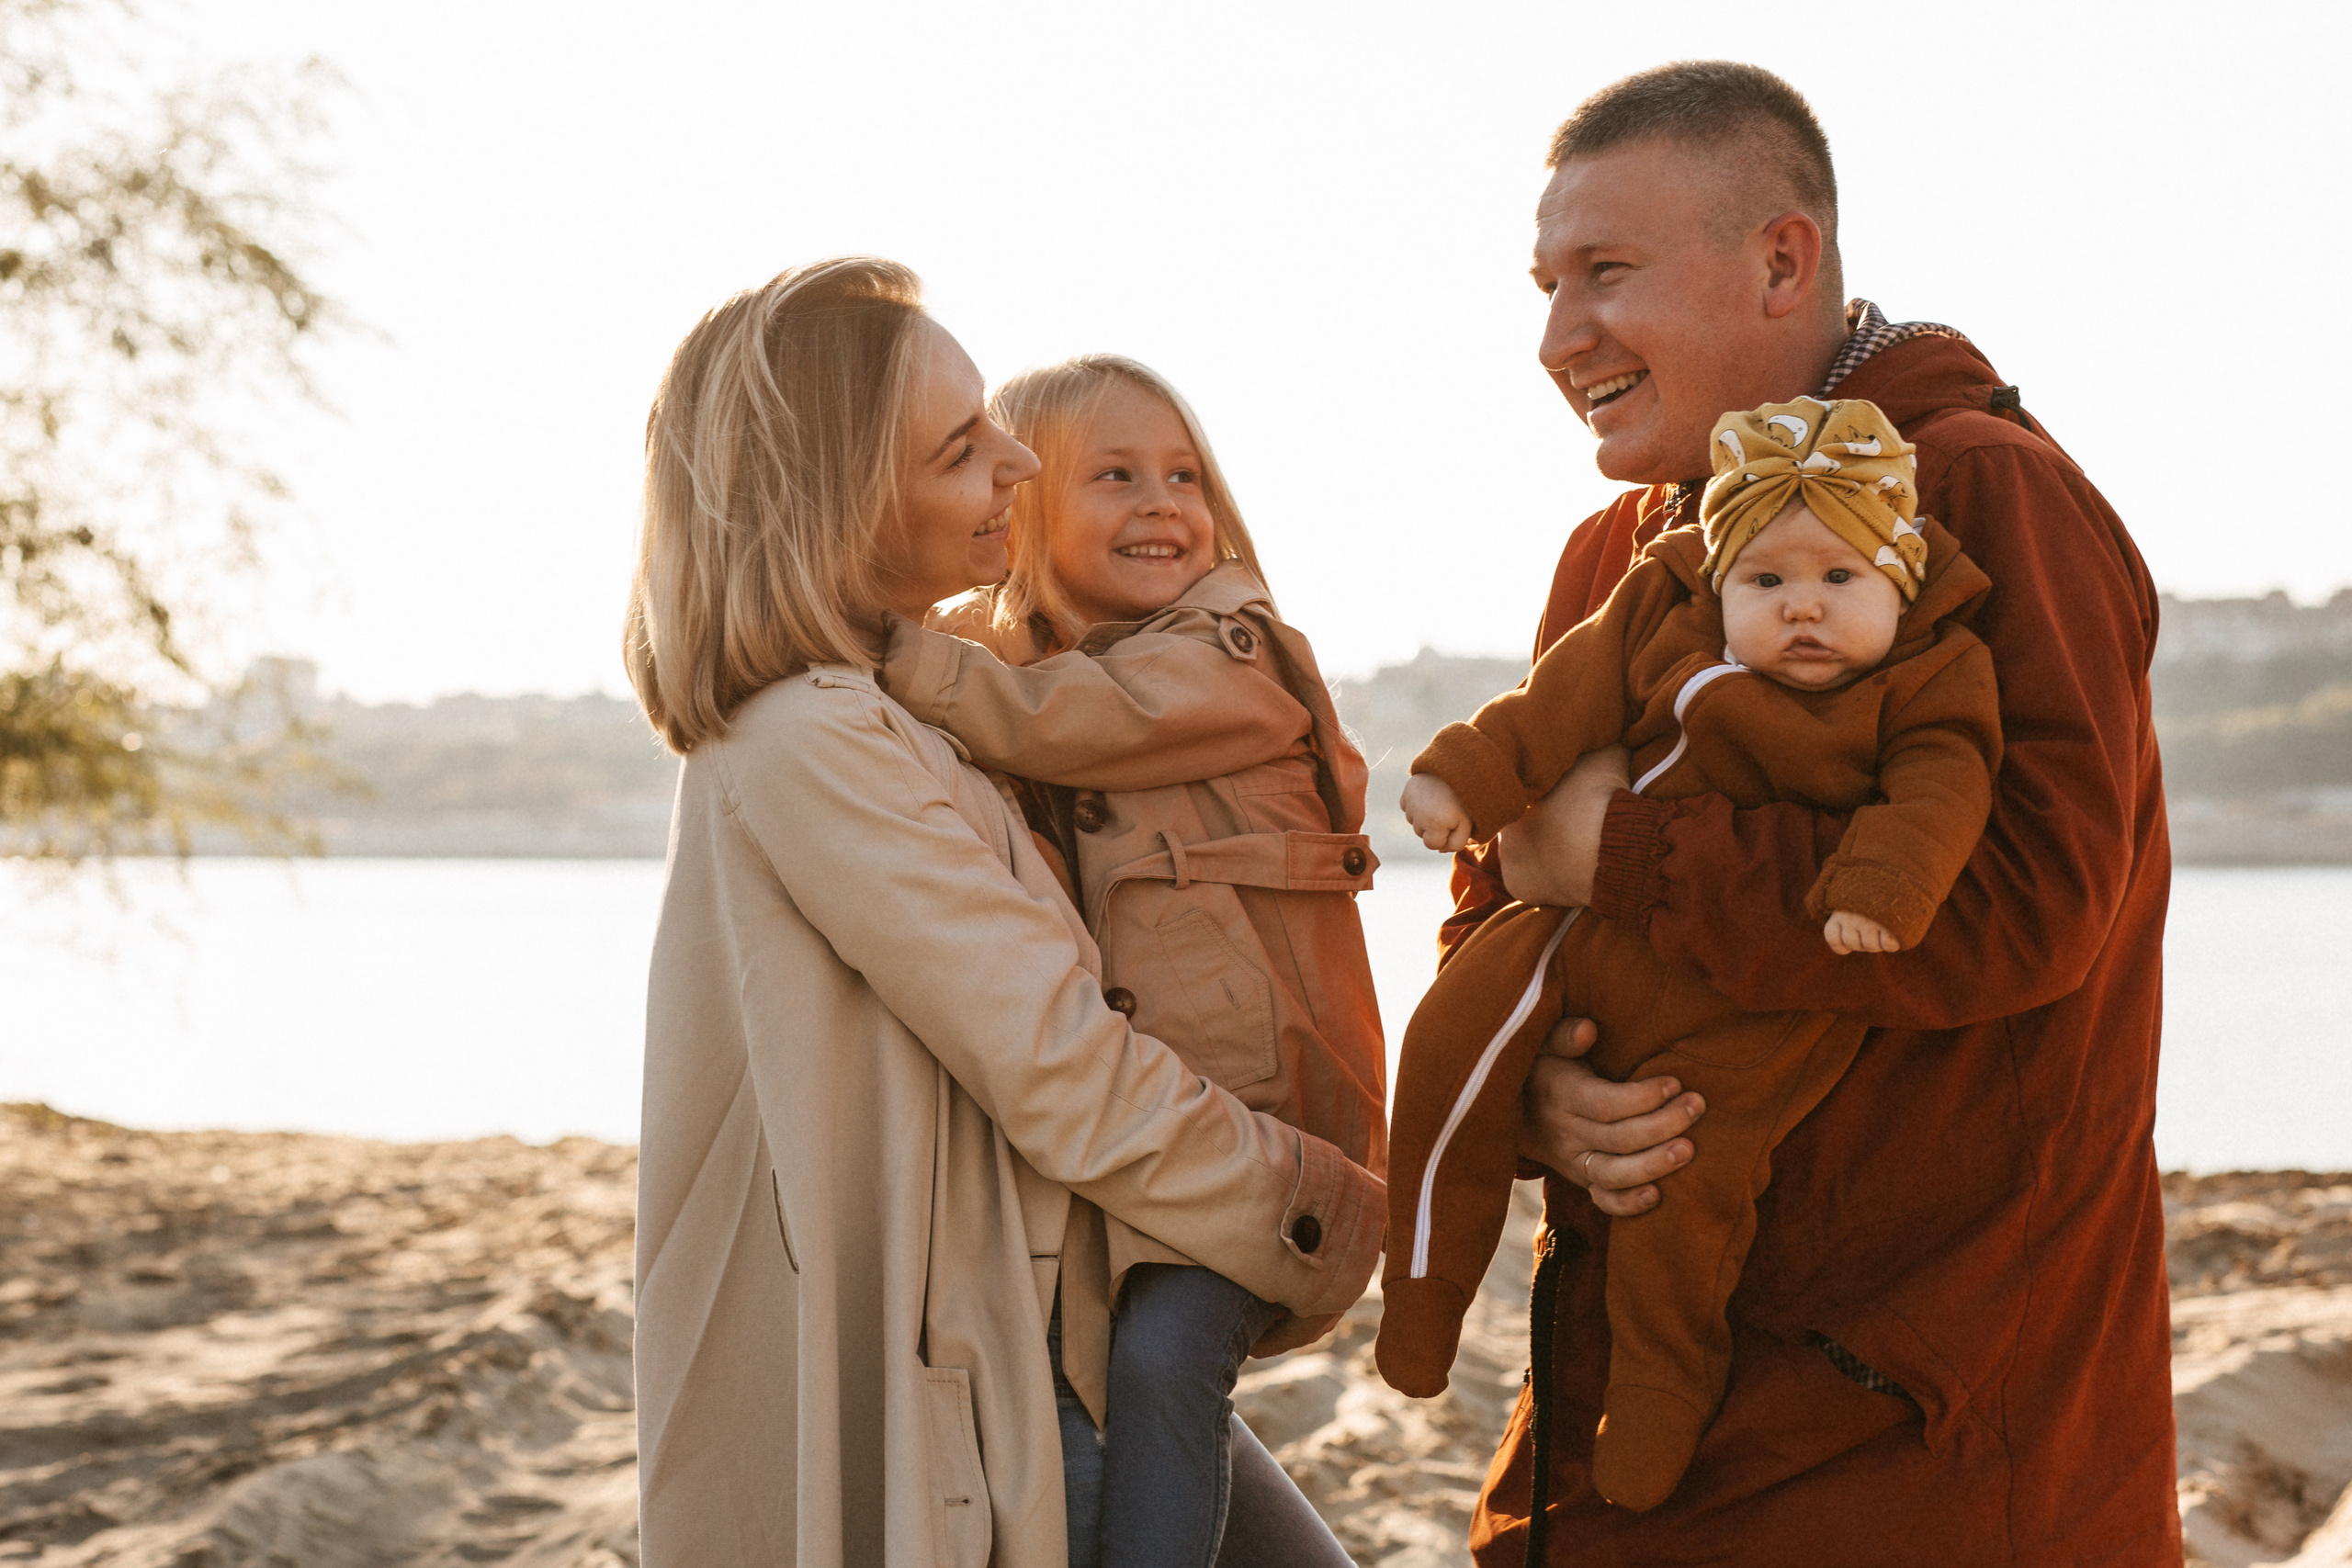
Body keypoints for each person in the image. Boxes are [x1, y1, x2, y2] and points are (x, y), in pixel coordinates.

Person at [1452, 62, 2178, 1562]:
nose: (1556, 336)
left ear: (1783, 259)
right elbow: (1507, 896)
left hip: (1921, 1455)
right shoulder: (1615, 550)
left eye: (1605, 273)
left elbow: (2023, 905)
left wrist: (1635, 855)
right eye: (1544, 284)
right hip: (1617, 1449)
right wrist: (1535, 1088)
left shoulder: (1987, 494)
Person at [623, 259, 1385, 1568]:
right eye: (965, 447)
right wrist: (1314, 1198)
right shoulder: (816, 734)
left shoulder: (895, 711)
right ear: (845, 494)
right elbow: (1062, 1065)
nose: (1021, 462)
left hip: (1061, 1318)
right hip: (1005, 1371)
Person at [1376, 395, 2000, 1511]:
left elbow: (1942, 783)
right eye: (1765, 583)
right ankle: (1421, 1291)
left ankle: (1662, 1393)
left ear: (1900, 583)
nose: (1802, 610)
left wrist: (1876, 889)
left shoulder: (1926, 675)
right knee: (1448, 1045)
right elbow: (1550, 706)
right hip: (1574, 940)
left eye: (1839, 582)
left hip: (1741, 1007)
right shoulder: (1659, 611)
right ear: (1720, 583)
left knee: (1691, 1191)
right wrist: (1460, 779)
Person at [880, 353, 1382, 1568]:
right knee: (1091, 1369)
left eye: (1184, 473)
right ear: (1025, 506)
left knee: (1163, 1356)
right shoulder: (1004, 657)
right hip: (1138, 1143)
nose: (1165, 502)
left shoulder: (1232, 654)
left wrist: (877, 647)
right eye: (1115, 475)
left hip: (1269, 1130)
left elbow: (1075, 719)